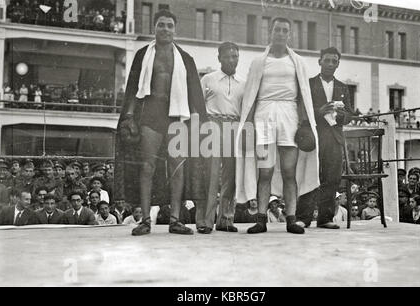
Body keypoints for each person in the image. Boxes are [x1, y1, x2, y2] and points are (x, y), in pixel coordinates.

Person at [114, 10, 208, 236]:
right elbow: (132, 89)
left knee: (177, 168)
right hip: (151, 114)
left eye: (169, 26)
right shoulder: (142, 55)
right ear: (154, 28)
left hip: (177, 116)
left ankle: (175, 220)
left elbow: (195, 93)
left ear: (175, 30)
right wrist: (128, 117)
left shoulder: (186, 58)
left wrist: (199, 120)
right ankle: (145, 220)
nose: (165, 29)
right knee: (147, 166)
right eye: (161, 25)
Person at [235, 17, 319, 235]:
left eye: (285, 30)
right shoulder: (258, 62)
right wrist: (249, 125)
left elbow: (303, 95)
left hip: (289, 115)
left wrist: (304, 122)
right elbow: (251, 95)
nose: (281, 33)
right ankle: (261, 219)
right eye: (277, 30)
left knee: (289, 172)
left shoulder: (297, 62)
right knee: (265, 172)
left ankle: (291, 218)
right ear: (270, 33)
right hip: (264, 114)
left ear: (289, 34)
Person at [296, 47, 353, 229]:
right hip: (313, 137)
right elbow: (300, 110)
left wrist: (343, 115)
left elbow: (350, 115)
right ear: (319, 61)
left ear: (338, 64)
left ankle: (325, 219)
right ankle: (303, 218)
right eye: (326, 60)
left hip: (335, 138)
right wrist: (319, 112)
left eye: (334, 61)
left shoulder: (343, 87)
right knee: (309, 176)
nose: (330, 64)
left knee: (332, 178)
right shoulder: (309, 83)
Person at [197, 42, 245, 234]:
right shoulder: (208, 79)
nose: (232, 60)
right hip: (212, 124)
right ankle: (205, 221)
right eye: (228, 56)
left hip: (235, 125)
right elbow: (199, 106)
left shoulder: (244, 82)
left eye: (235, 56)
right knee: (210, 174)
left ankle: (225, 219)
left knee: (231, 175)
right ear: (219, 58)